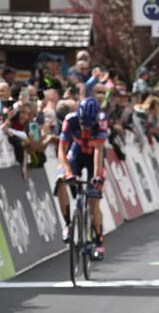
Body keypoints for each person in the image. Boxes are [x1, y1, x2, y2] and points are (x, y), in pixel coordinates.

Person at [57, 97, 108, 261]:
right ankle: (67, 225)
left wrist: (96, 177)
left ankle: (99, 242)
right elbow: (61, 150)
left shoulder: (101, 121)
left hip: (94, 156)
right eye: (83, 123)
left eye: (89, 124)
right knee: (60, 181)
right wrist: (68, 173)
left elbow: (99, 151)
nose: (86, 127)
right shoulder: (70, 120)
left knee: (94, 201)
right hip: (77, 153)